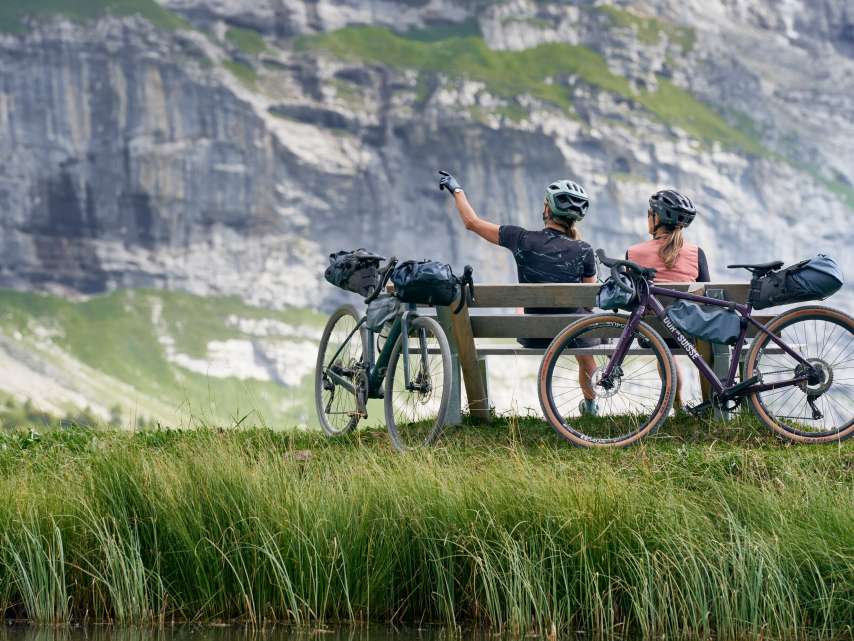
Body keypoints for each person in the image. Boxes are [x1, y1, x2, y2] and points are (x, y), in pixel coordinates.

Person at [438, 170, 600, 416]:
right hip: (571, 334)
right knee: (585, 340)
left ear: (547, 209)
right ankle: (590, 407)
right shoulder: (585, 250)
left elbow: (472, 222)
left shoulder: (521, 239)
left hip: (532, 334)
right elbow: (589, 299)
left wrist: (456, 189)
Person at [627, 189, 710, 407]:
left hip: (650, 334)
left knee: (662, 346)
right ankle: (705, 402)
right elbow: (706, 297)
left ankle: (676, 404)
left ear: (656, 218)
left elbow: (630, 299)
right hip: (689, 333)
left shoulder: (634, 253)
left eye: (649, 214)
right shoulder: (696, 253)